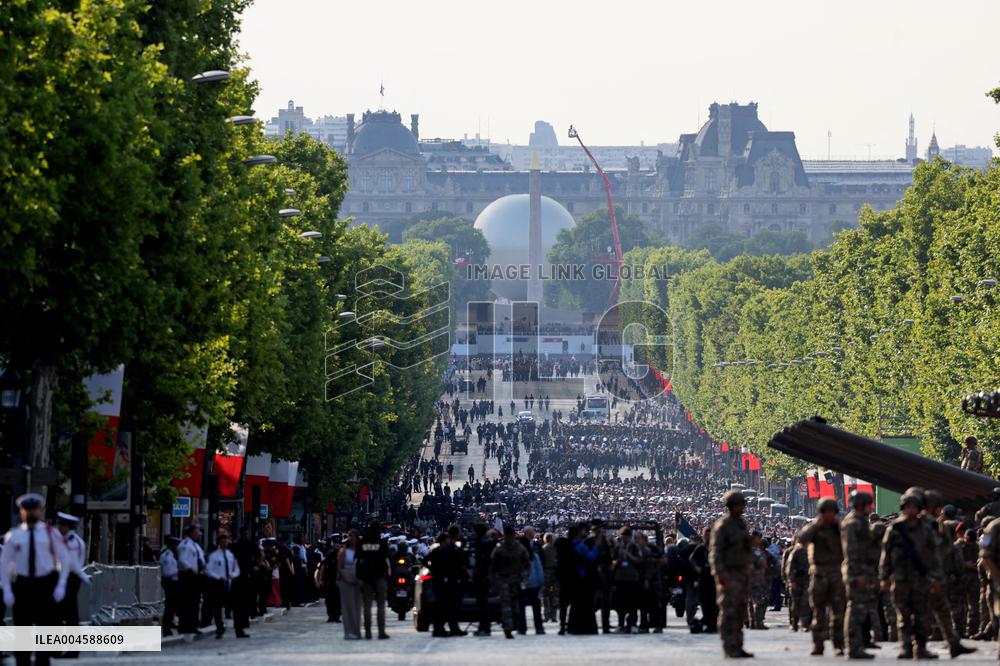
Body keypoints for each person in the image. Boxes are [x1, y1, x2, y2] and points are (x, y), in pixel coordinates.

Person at [0, 493, 72, 666]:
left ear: (39, 511)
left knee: (44, 629)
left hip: (45, 584)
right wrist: (7, 589)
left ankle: (43, 661)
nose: (31, 513)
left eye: (34, 509)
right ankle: (22, 662)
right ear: (21, 512)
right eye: (27, 510)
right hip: (22, 585)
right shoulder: (14, 535)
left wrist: (61, 586)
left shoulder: (50, 533)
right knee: (22, 631)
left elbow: (64, 559)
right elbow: (5, 562)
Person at [879, 492, 938, 659]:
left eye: (914, 507)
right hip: (900, 578)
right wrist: (884, 577)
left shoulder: (925, 528)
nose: (911, 510)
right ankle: (905, 647)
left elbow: (933, 555)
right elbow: (886, 554)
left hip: (920, 577)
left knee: (921, 614)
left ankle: (921, 647)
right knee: (903, 615)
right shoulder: (894, 529)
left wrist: (935, 577)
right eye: (908, 507)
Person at [709, 489, 753, 659]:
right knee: (728, 611)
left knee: (741, 611)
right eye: (739, 505)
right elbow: (716, 552)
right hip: (728, 574)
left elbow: (746, 548)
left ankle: (738, 645)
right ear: (730, 506)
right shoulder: (722, 526)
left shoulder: (741, 524)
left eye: (743, 504)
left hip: (742, 573)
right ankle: (728, 646)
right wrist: (720, 573)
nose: (742, 508)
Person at [841, 491, 878, 659]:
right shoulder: (852, 524)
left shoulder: (861, 522)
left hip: (864, 570)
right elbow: (851, 551)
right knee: (855, 609)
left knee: (862, 608)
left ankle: (862, 642)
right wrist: (858, 573)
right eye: (867, 505)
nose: (870, 508)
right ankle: (853, 647)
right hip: (856, 572)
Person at [54, 512, 89, 656]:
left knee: (68, 615)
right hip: (63, 578)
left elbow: (71, 564)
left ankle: (71, 650)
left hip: (69, 578)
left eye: (60, 525)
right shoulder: (64, 540)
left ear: (66, 526)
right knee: (58, 615)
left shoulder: (73, 542)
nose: (58, 527)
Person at [424, 529, 467, 637]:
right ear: (443, 540)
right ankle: (441, 628)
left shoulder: (445, 550)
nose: (449, 541)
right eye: (447, 539)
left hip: (447, 581)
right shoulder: (443, 551)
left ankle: (449, 628)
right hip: (443, 582)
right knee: (442, 607)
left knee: (449, 606)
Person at [490, 525, 529, 639]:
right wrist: (493, 581)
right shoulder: (499, 548)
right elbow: (493, 565)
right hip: (503, 580)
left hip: (516, 579)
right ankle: (507, 627)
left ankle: (514, 624)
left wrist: (524, 578)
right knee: (506, 606)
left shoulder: (520, 548)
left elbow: (527, 564)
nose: (509, 538)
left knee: (515, 606)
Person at [205, 532, 241, 638]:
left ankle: (238, 628)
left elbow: (237, 568)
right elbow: (208, 570)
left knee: (236, 607)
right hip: (219, 584)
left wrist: (233, 575)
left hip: (230, 583)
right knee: (218, 608)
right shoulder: (214, 556)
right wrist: (218, 577)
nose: (225, 544)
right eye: (222, 542)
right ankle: (219, 628)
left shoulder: (231, 555)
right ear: (219, 543)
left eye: (226, 542)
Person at [358, 522, 390, 640]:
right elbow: (386, 559)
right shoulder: (381, 543)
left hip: (366, 577)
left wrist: (359, 576)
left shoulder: (363, 543)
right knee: (381, 605)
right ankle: (381, 631)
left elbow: (358, 559)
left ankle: (368, 632)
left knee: (367, 605)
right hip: (379, 576)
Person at [176, 524, 206, 635]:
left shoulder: (195, 546)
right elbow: (182, 560)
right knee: (187, 603)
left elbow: (201, 559)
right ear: (191, 533)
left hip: (196, 577)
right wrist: (191, 569)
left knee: (195, 602)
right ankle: (184, 627)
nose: (200, 534)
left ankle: (193, 625)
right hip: (188, 577)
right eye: (197, 532)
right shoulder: (185, 545)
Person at [229, 528, 258, 638]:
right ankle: (242, 625)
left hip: (238, 578)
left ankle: (239, 627)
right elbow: (258, 555)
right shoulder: (249, 544)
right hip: (245, 577)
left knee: (239, 605)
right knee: (244, 604)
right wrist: (254, 565)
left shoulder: (235, 545)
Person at [336, 530, 362, 640]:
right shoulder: (344, 552)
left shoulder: (361, 551)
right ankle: (348, 631)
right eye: (350, 537)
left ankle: (357, 631)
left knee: (357, 608)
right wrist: (346, 577)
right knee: (347, 607)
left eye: (354, 536)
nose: (352, 539)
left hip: (358, 580)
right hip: (346, 580)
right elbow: (339, 567)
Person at [160, 536, 180, 636]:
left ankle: (170, 624)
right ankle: (166, 628)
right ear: (172, 546)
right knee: (170, 606)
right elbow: (168, 572)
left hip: (172, 582)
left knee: (173, 606)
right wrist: (180, 571)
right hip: (170, 582)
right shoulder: (167, 556)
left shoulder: (171, 555)